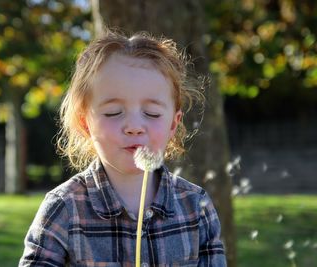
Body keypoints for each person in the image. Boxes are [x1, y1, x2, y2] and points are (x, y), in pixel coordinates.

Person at [19, 30, 227, 266]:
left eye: (152, 113)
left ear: (173, 123)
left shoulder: (196, 206)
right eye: (113, 113)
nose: (134, 127)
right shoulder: (63, 209)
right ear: (85, 123)